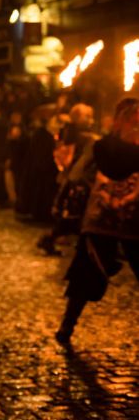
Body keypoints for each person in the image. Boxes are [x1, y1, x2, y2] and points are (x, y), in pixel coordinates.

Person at [56, 98, 139, 344]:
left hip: (100, 218)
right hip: (133, 220)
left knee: (84, 272)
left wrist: (97, 187)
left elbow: (75, 175)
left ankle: (67, 327)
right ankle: (66, 327)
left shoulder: (98, 145)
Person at [37, 103, 98, 255]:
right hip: (75, 178)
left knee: (76, 214)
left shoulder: (83, 134)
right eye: (87, 116)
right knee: (73, 214)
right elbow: (70, 155)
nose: (90, 120)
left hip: (78, 178)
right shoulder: (72, 133)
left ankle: (52, 239)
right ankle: (51, 238)